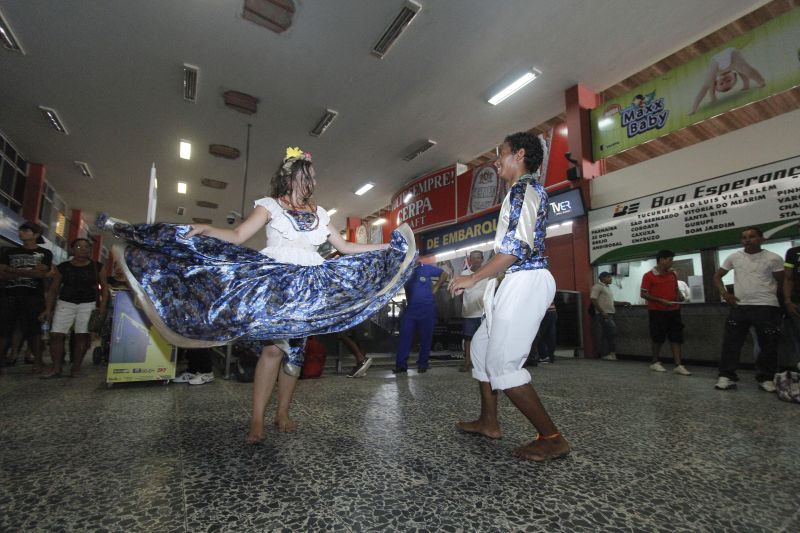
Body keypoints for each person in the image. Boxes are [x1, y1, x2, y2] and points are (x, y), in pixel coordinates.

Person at [106, 146, 416, 444]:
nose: (312, 181)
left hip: (309, 287)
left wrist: (389, 247)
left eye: (314, 176)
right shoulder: (269, 205)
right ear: (291, 176)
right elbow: (239, 235)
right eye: (307, 174)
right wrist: (207, 229)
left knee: (295, 352)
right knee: (272, 350)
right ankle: (257, 419)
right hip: (276, 283)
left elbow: (346, 247)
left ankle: (282, 413)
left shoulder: (319, 212)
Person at [449, 131, 569, 462]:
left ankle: (552, 438)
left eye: (499, 154)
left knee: (503, 363)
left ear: (518, 155)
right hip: (513, 279)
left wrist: (472, 277)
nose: (495, 160)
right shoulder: (519, 192)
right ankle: (489, 421)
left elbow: (516, 249)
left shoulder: (524, 190)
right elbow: (508, 250)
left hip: (525, 279)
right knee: (483, 348)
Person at [713, 227, 784, 391]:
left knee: (768, 344)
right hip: (740, 306)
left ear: (761, 238)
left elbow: (783, 281)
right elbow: (717, 276)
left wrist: (782, 301)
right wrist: (725, 294)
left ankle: (766, 378)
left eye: (752, 236)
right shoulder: (734, 257)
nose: (747, 239)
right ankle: (726, 376)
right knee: (731, 343)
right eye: (744, 237)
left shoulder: (773, 258)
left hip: (766, 306)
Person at [40, 238, 108, 378]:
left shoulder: (97, 267)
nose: (83, 249)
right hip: (65, 303)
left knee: (81, 336)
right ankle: (56, 367)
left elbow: (105, 288)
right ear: (72, 249)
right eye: (79, 246)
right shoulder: (63, 267)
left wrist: (102, 307)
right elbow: (54, 289)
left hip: (87, 304)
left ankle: (76, 368)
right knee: (56, 334)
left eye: (86, 247)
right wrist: (48, 308)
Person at [0, 222, 53, 376]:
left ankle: (37, 361)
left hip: (33, 297)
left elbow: (41, 274)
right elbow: (1, 274)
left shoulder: (45, 253)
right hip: (9, 295)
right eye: (21, 230)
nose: (21, 233)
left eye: (26, 231)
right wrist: (30, 271)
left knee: (34, 331)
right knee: (3, 330)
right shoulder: (8, 251)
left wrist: (11, 270)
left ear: (35, 234)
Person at [640, 250, 691, 376]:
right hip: (657, 311)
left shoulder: (673, 274)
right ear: (661, 260)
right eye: (670, 260)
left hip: (674, 311)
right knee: (658, 338)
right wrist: (661, 300)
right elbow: (643, 294)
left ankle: (678, 365)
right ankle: (655, 362)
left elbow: (675, 289)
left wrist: (680, 296)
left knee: (676, 337)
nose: (671, 262)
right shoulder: (648, 275)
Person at [394, 260, 448, 374]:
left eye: (416, 254)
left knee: (426, 338)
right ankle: (401, 365)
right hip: (411, 309)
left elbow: (445, 274)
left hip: (427, 308)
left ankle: (423, 364)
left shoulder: (426, 268)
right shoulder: (404, 270)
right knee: (404, 336)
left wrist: (437, 287)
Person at [688, 46, 766, 115]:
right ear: (734, 76)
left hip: (716, 62)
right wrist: (746, 85)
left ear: (716, 83)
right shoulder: (734, 67)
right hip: (732, 54)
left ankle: (694, 107)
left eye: (721, 83)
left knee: (706, 85)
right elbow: (743, 75)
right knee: (744, 69)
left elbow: (707, 89)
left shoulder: (714, 75)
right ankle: (760, 80)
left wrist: (712, 98)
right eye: (729, 81)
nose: (725, 80)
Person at [460, 250, 488, 372]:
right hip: (469, 313)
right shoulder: (464, 273)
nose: (476, 260)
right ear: (469, 260)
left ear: (482, 259)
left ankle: (486, 364)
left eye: (478, 258)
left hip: (484, 313)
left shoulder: (487, 272)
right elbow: (461, 294)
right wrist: (466, 305)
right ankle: (467, 363)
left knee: (486, 339)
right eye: (473, 258)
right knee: (468, 339)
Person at [590, 271, 621, 361]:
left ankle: (605, 354)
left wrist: (623, 303)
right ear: (603, 278)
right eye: (609, 277)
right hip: (604, 314)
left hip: (610, 313)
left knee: (606, 334)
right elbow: (593, 299)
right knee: (612, 331)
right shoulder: (598, 287)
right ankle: (609, 352)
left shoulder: (607, 288)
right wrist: (602, 312)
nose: (611, 279)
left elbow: (611, 301)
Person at [535, 299, 558, 364]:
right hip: (553, 311)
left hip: (544, 313)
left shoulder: (537, 289)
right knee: (550, 336)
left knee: (539, 335)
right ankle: (551, 356)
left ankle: (544, 356)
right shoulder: (548, 288)